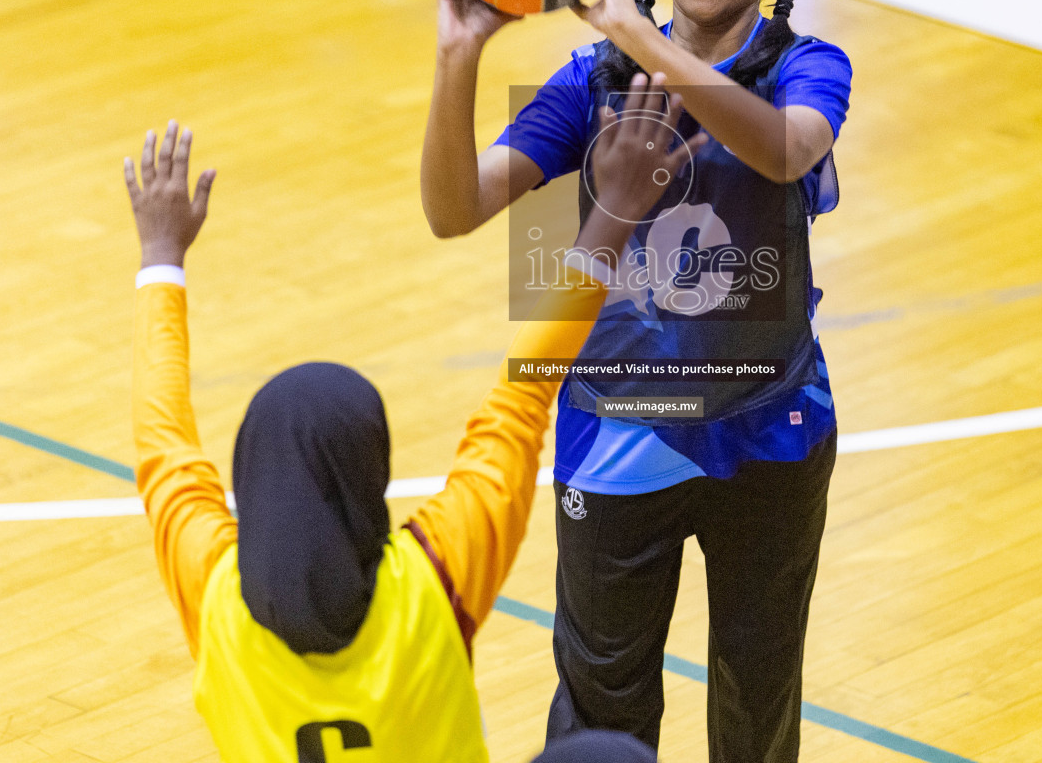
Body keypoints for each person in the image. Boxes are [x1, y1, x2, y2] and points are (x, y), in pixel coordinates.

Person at [422, 0, 852, 761]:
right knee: (603, 707)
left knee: (759, 692)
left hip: (771, 426)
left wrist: (637, 33)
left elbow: (784, 150)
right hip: (620, 431)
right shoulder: (593, 81)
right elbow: (453, 210)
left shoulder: (809, 67)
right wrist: (459, 55)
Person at [125, 101, 690, 762]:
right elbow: (524, 396)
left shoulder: (213, 591)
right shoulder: (432, 583)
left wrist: (160, 256)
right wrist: (616, 212)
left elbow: (160, 442)